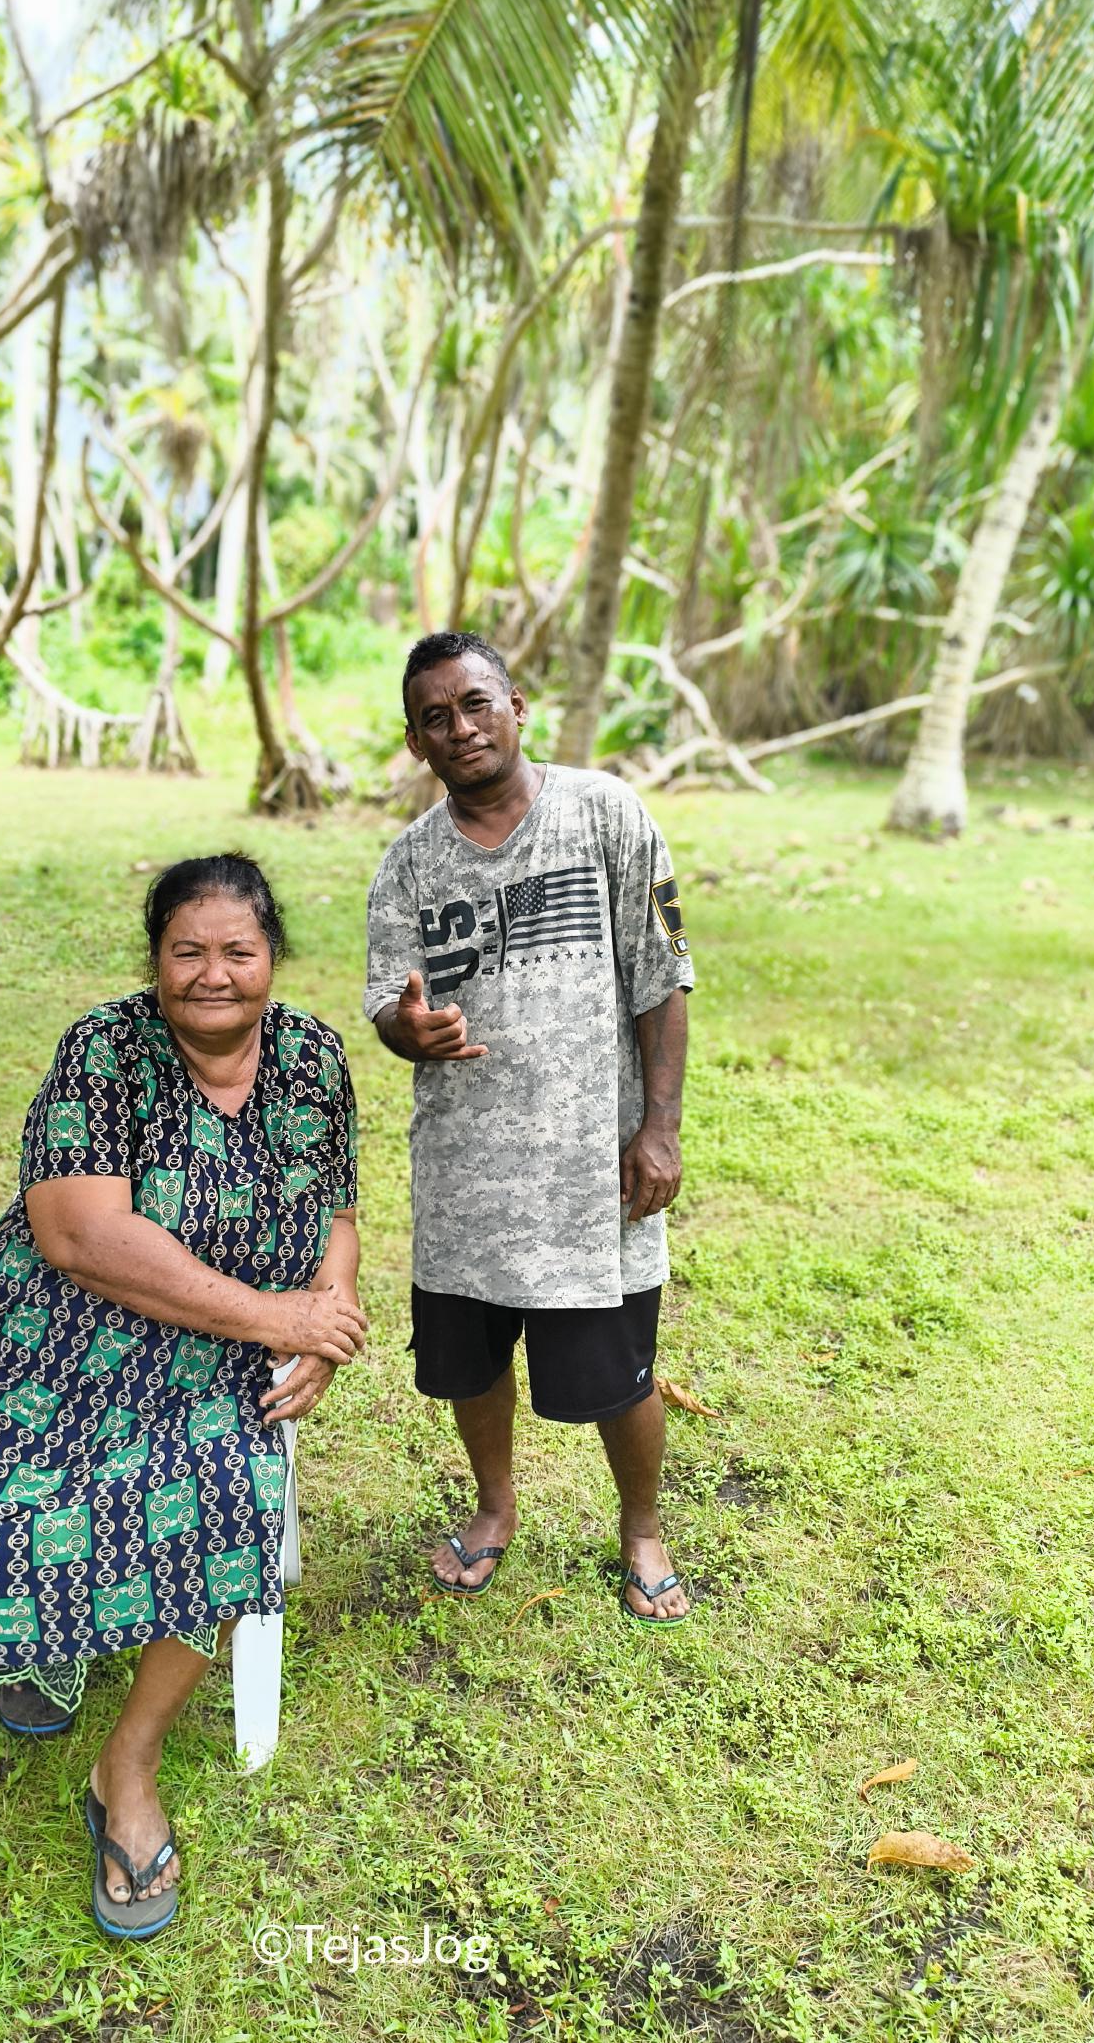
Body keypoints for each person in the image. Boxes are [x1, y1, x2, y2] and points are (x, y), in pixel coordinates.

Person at [0, 854, 365, 1939]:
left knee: (220, 1490)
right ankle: (50, 1634)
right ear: (155, 959)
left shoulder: (313, 1056)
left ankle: (128, 1765)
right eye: (186, 950)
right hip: (63, 1331)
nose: (212, 974)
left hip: (221, 1348)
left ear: (273, 956)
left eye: (237, 951)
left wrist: (327, 1315)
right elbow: (78, 1235)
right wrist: (278, 1314)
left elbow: (336, 1212)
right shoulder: (105, 1050)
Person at [363, 632, 695, 1624]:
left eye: (475, 703)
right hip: (465, 1176)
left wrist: (659, 1128)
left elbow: (663, 975)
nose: (459, 728)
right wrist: (408, 1030)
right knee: (471, 1365)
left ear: (516, 707)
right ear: (416, 743)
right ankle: (495, 1506)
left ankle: (642, 1527)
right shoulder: (407, 866)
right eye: (434, 717)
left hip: (591, 1173)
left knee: (620, 1371)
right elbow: (386, 1002)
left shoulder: (605, 814)